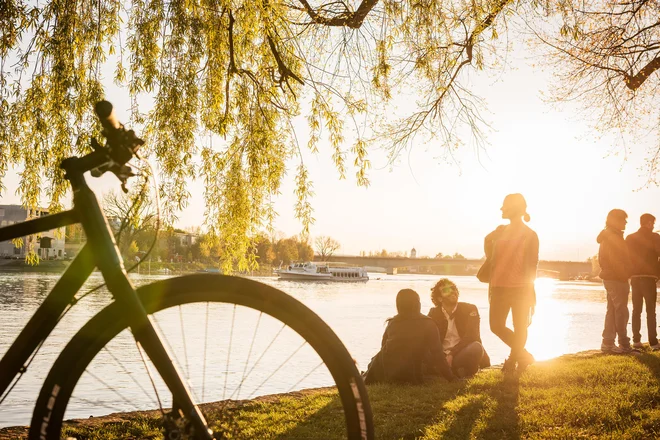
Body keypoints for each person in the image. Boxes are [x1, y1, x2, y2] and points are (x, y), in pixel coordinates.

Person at [484, 193, 538, 373]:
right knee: (496, 326)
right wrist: (490, 238)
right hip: (499, 286)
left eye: (504, 206)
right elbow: (489, 254)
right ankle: (523, 356)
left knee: (520, 326)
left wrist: (530, 291)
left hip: (520, 288)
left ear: (514, 209)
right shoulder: (500, 231)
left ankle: (514, 359)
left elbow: (532, 266)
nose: (501, 209)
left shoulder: (530, 235)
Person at [363, 289, 454, 384]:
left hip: (389, 372)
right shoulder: (429, 324)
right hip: (414, 374)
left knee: (374, 359)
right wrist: (451, 378)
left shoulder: (392, 323)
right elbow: (438, 355)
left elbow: (383, 347)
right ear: (417, 304)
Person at [427, 278, 491, 378]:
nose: (452, 291)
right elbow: (430, 340)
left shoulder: (470, 309)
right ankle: (450, 369)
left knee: (476, 347)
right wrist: (442, 357)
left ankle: (450, 370)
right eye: (446, 290)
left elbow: (472, 336)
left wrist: (452, 354)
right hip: (442, 356)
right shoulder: (434, 313)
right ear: (439, 298)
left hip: (461, 353)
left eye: (453, 288)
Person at [598, 209, 634, 354]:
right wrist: (625, 274)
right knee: (621, 312)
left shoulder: (610, 235)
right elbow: (616, 261)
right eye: (623, 219)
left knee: (613, 311)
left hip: (611, 277)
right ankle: (623, 344)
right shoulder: (613, 237)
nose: (625, 222)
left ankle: (608, 343)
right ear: (614, 220)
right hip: (616, 278)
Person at [625, 213, 660, 350]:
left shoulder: (630, 238)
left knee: (636, 310)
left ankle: (636, 341)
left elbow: (626, 257)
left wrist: (629, 273)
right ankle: (653, 342)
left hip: (635, 278)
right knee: (650, 311)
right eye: (653, 223)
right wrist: (658, 274)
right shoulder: (655, 237)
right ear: (650, 223)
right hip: (649, 277)